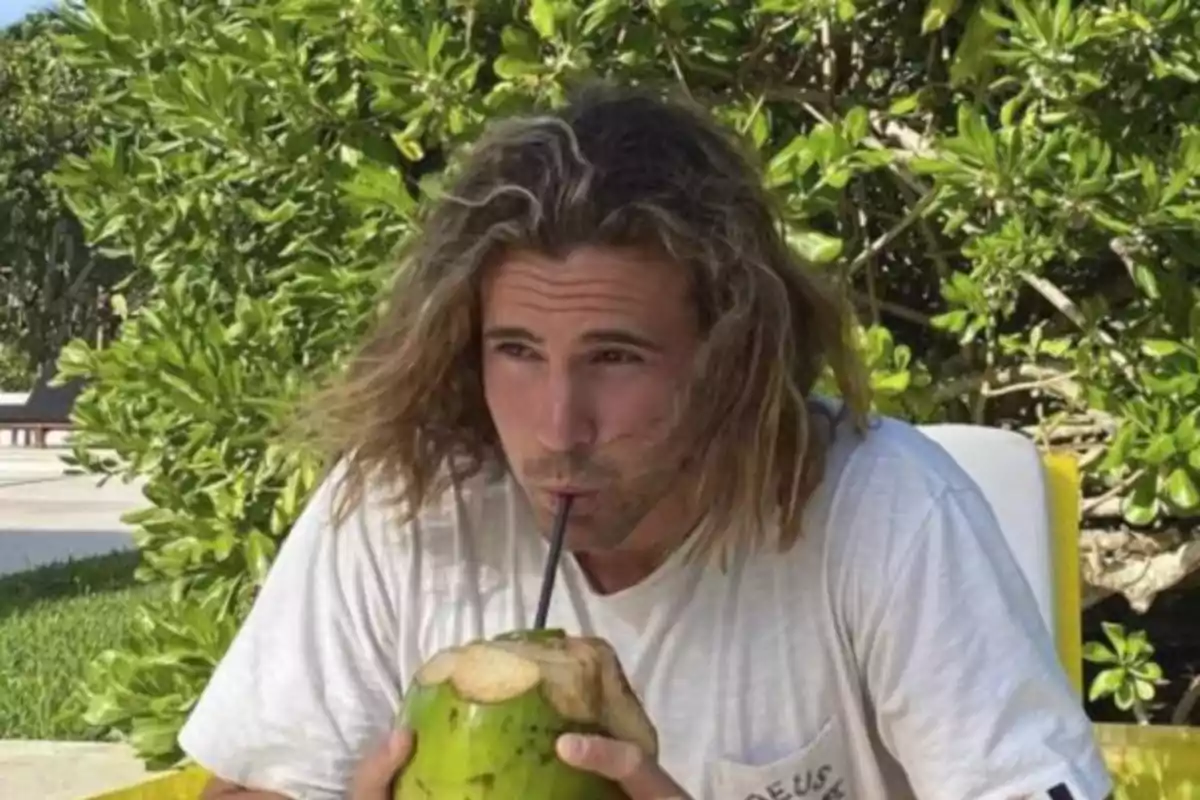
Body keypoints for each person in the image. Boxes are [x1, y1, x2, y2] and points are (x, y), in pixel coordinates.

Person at [181, 83, 1114, 800]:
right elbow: (261, 779)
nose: (557, 430)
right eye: (516, 351)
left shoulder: (888, 516)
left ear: (732, 357)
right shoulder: (404, 506)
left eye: (616, 356)